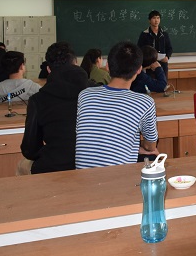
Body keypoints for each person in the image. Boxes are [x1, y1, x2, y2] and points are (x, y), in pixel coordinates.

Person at [76, 41, 159, 169]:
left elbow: (95, 138)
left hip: (82, 176)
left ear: (107, 67)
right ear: (139, 69)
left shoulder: (85, 95)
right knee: (154, 156)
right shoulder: (145, 103)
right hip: (118, 177)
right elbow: (150, 146)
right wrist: (140, 148)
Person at [19, 42, 93, 175]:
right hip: (94, 165)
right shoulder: (94, 91)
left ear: (48, 69)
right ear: (75, 63)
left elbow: (29, 149)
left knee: (21, 166)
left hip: (54, 168)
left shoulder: (38, 100)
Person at [137, 10, 173, 77]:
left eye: (158, 18)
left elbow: (169, 48)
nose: (156, 20)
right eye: (154, 18)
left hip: (162, 64)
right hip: (149, 66)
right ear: (149, 20)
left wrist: (167, 57)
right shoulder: (144, 34)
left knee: (162, 82)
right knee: (150, 82)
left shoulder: (164, 34)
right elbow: (139, 49)